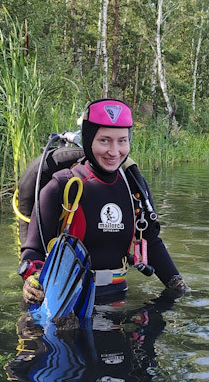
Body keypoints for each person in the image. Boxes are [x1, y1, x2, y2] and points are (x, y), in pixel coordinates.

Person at [18, 99, 188, 305]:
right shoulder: (61, 186)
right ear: (89, 139)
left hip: (119, 299)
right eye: (104, 140)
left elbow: (151, 242)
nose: (114, 151)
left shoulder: (134, 187)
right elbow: (32, 250)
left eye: (122, 141)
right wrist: (33, 281)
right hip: (66, 302)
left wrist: (178, 286)